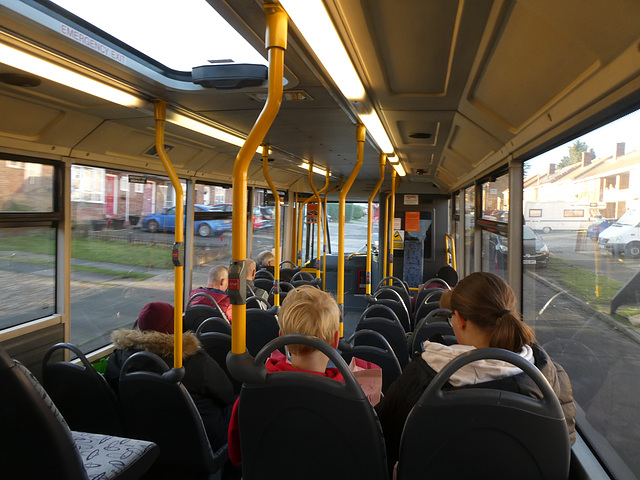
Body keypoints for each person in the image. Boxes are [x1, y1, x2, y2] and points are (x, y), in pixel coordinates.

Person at [376, 272, 576, 474]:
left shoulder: (421, 378)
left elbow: (384, 441)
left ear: (461, 321)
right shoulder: (549, 377)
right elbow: (561, 445)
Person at [227, 285, 343, 465]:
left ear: (282, 338)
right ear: (335, 340)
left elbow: (237, 456)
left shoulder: (254, 391)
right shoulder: (347, 398)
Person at [104, 302, 235, 450]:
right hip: (199, 440)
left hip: (144, 435)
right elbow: (226, 393)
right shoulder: (194, 360)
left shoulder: (119, 359)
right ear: (175, 327)